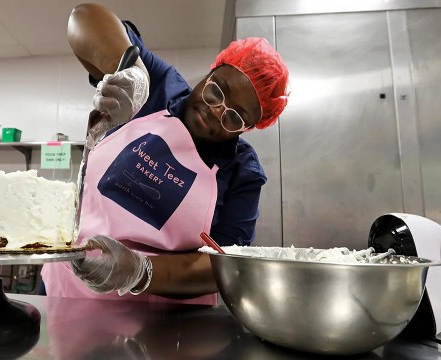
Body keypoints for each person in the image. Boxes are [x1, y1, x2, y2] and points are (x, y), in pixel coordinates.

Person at [41, 2, 289, 304]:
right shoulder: (160, 88)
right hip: (69, 289)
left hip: (159, 320)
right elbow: (83, 18)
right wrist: (132, 74)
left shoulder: (242, 173)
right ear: (210, 72)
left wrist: (140, 272)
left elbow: (225, 265)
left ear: (248, 128)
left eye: (233, 117)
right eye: (216, 91)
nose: (213, 112)